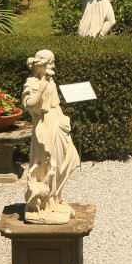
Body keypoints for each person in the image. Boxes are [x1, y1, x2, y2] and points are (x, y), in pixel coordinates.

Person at [21, 50, 81, 224]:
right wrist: (41, 88)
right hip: (45, 126)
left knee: (68, 158)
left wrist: (63, 119)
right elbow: (29, 105)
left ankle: (56, 199)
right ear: (42, 65)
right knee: (49, 163)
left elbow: (55, 104)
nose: (54, 66)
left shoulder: (51, 81)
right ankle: (45, 205)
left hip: (57, 123)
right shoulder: (32, 82)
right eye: (51, 62)